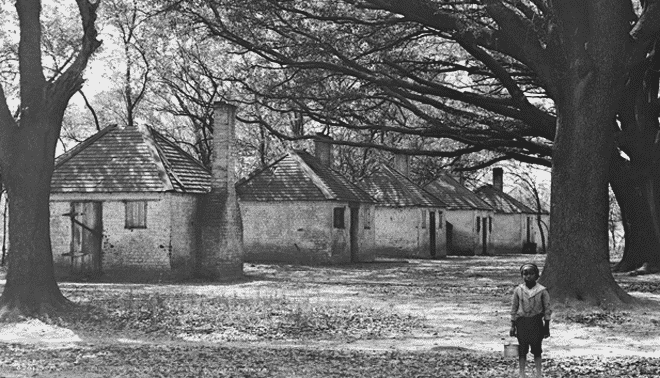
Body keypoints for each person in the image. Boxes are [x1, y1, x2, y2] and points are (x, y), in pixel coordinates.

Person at [510, 263, 551, 378]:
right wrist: (513, 325)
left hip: (536, 323)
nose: (528, 276)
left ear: (537, 275)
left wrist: (546, 327)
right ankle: (522, 373)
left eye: (531, 274)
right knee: (522, 349)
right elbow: (514, 308)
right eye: (525, 274)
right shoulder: (518, 290)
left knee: (537, 349)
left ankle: (538, 373)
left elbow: (547, 309)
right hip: (522, 323)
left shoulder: (542, 291)